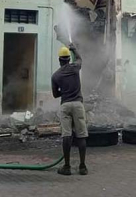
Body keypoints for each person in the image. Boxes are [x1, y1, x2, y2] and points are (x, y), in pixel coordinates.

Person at [51, 43, 88, 176]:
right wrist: (74, 49)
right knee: (81, 135)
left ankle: (67, 167)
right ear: (68, 59)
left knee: (66, 135)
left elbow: (55, 94)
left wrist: (64, 91)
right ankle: (82, 166)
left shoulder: (55, 76)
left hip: (65, 105)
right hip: (78, 104)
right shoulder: (75, 68)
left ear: (60, 60)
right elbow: (80, 59)